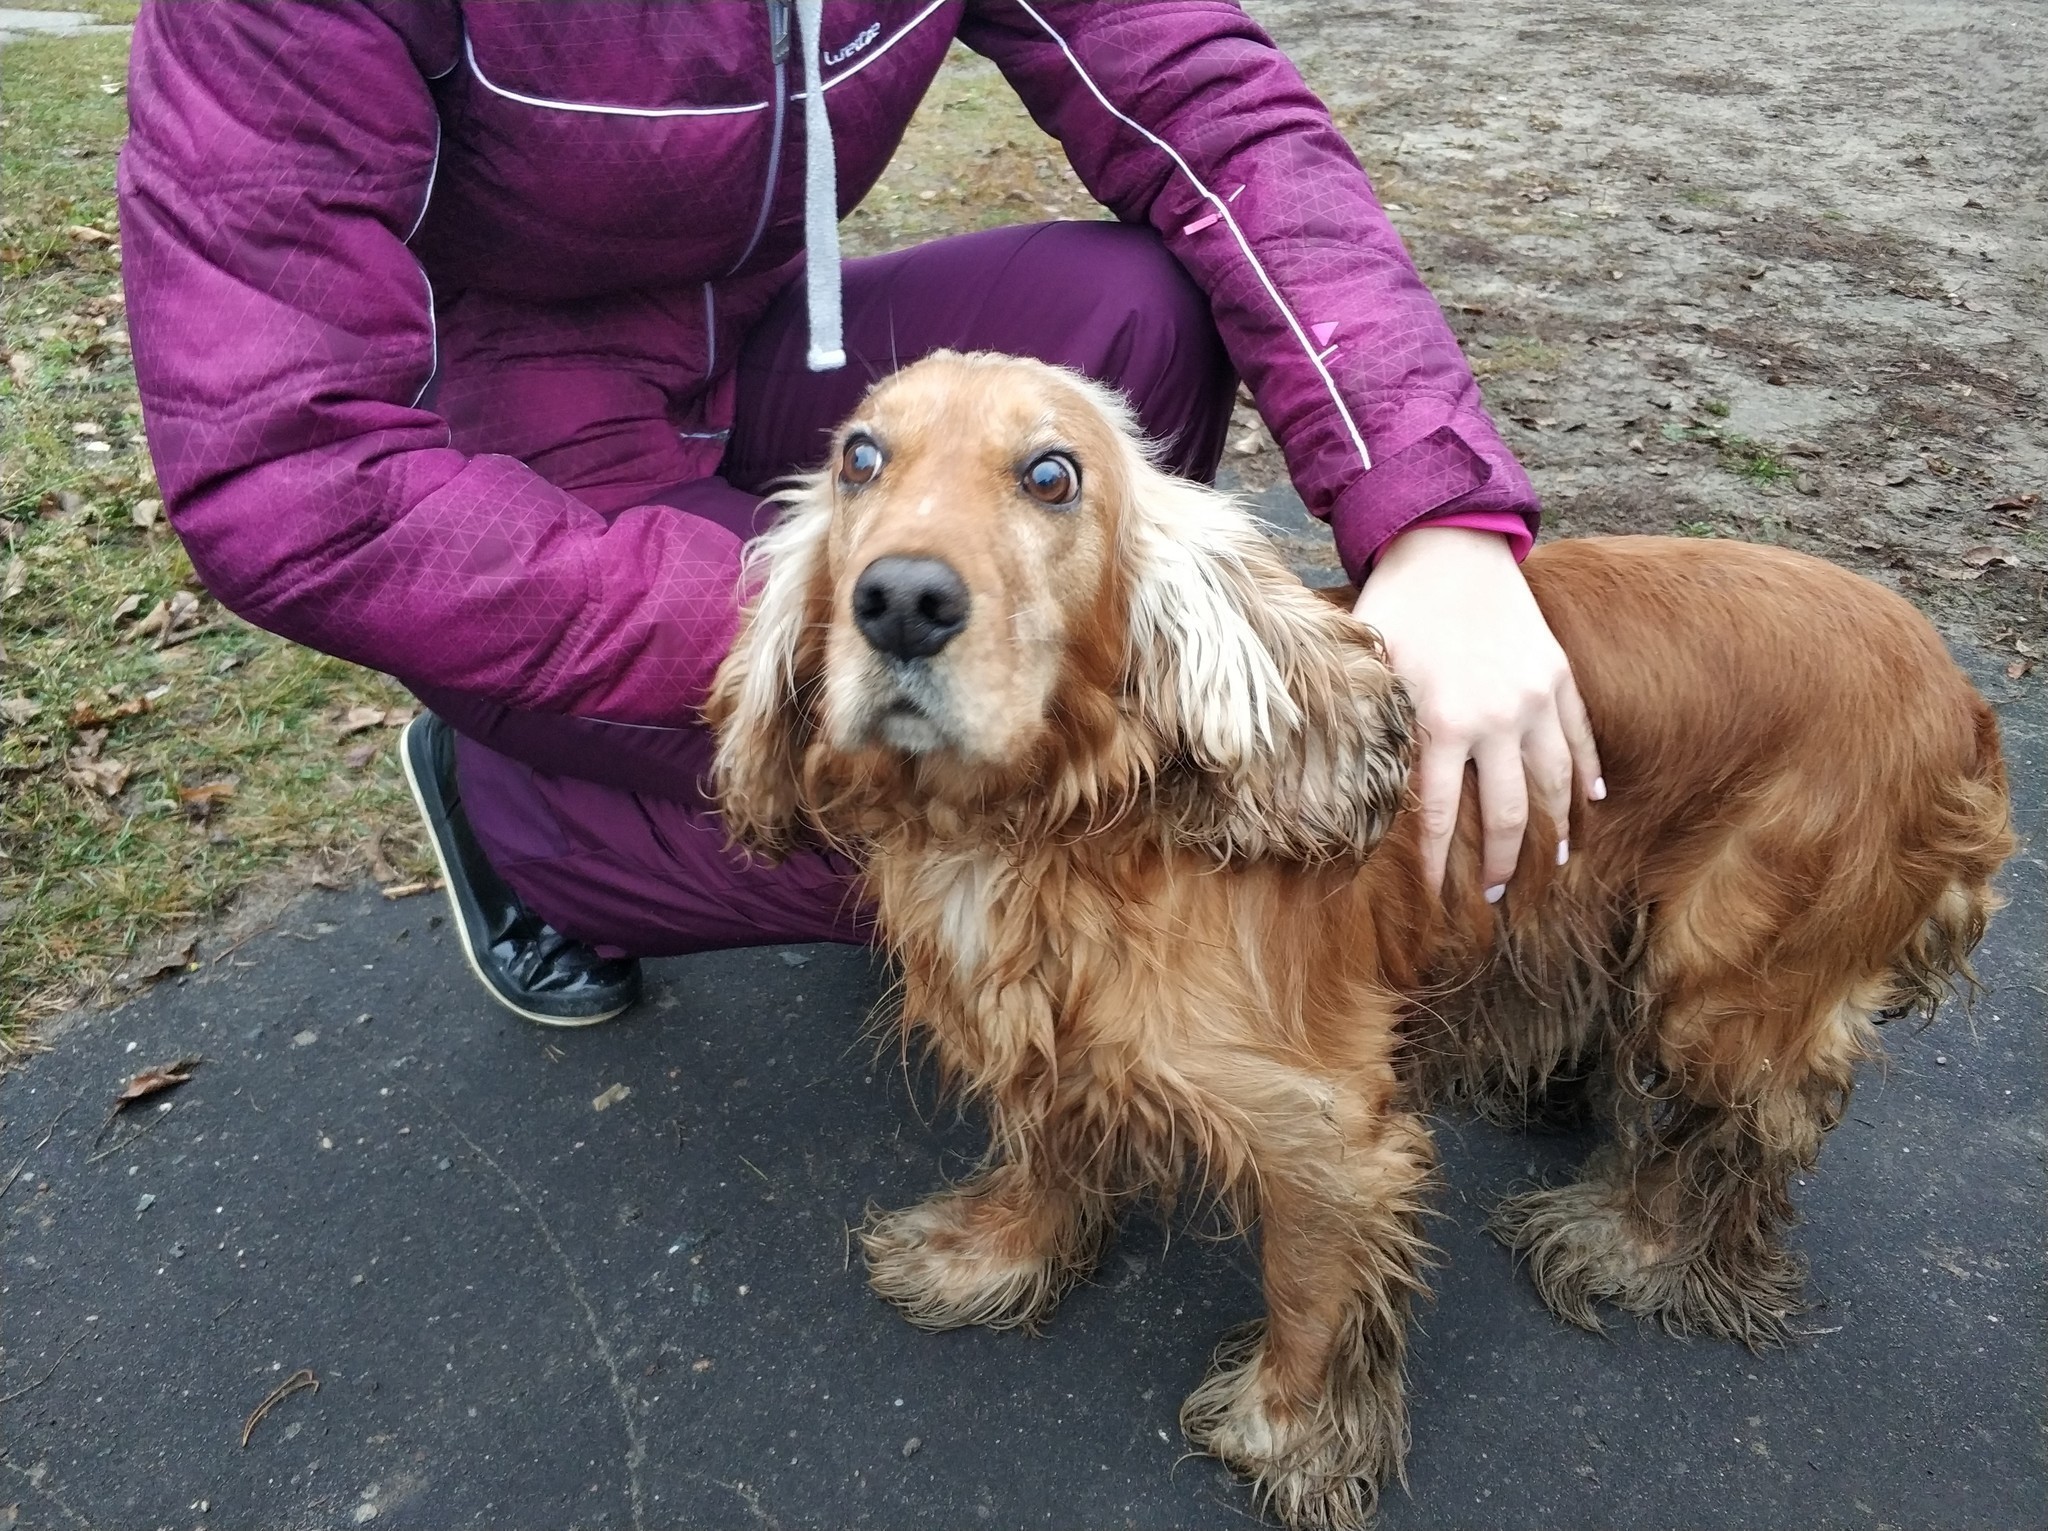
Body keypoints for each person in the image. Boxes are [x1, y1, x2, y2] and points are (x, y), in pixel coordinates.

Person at [119, 1, 1600, 1026]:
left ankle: (905, 780)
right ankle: (527, 827)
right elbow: (289, 470)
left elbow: (1219, 111)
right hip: (510, 439)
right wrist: (841, 639)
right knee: (1019, 820)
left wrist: (1441, 520)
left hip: (764, 336)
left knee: (1131, 313)